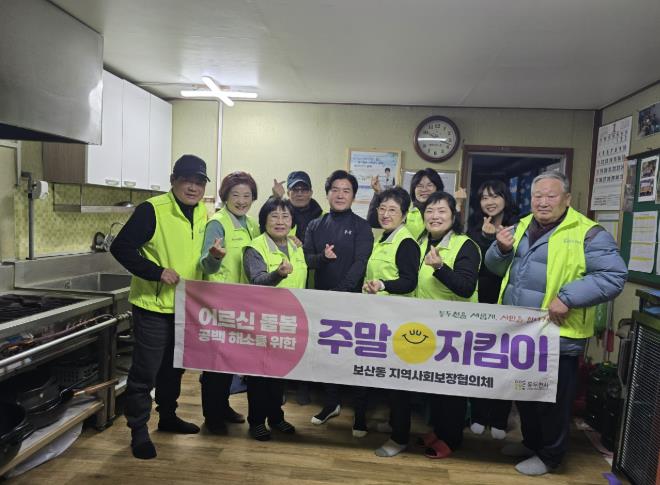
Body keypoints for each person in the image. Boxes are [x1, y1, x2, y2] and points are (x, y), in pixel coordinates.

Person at [485, 171, 627, 476]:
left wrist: (568, 297)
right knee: (525, 393)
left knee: (552, 401)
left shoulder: (589, 233)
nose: (543, 202)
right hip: (520, 331)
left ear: (567, 198)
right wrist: (501, 249)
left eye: (551, 196)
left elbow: (613, 276)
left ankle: (551, 456)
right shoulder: (521, 226)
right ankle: (532, 443)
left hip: (558, 332)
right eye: (537, 196)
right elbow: (495, 267)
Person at [110, 154, 209, 460]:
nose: (192, 187)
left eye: (199, 182)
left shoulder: (203, 213)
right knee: (145, 372)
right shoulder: (152, 210)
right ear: (173, 180)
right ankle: (138, 430)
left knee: (174, 369)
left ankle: (167, 416)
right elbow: (120, 247)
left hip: (185, 307)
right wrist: (156, 272)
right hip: (153, 307)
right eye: (186, 180)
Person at [304, 170, 374, 436]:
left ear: (353, 195)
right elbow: (307, 260)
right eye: (335, 189)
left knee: (356, 358)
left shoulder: (362, 227)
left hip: (353, 303)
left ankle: (360, 414)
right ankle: (331, 404)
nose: (340, 195)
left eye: (346, 190)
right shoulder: (315, 225)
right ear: (327, 193)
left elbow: (360, 263)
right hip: (323, 301)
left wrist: (340, 292)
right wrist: (322, 258)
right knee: (327, 356)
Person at [415, 191, 481, 459]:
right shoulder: (422, 242)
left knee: (452, 387)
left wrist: (441, 268)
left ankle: (452, 439)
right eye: (430, 211)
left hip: (456, 331)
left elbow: (466, 288)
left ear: (454, 216)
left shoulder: (465, 245)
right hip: (429, 328)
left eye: (442, 211)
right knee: (436, 386)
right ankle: (440, 430)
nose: (435, 216)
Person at [198, 172, 259, 434]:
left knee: (229, 361)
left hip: (242, 303)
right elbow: (205, 265)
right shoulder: (217, 223)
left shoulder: (251, 225)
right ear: (225, 196)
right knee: (215, 362)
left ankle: (222, 406)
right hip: (218, 303)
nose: (241, 200)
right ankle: (212, 416)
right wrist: (214, 257)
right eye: (236, 195)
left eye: (247, 195)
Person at [362, 187, 421, 458]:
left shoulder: (406, 242)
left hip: (399, 321)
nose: (385, 214)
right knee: (389, 380)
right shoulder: (384, 238)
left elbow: (409, 281)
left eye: (393, 210)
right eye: (382, 209)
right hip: (380, 319)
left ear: (405, 215)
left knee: (399, 383)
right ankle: (395, 424)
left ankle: (399, 438)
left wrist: (383, 284)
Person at [241, 197, 306, 441]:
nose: (280, 221)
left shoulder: (295, 245)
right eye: (274, 216)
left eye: (285, 216)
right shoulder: (254, 248)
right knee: (259, 375)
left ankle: (276, 417)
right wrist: (277, 274)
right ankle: (256, 421)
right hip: (262, 320)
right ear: (264, 221)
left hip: (289, 321)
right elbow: (257, 281)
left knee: (279, 373)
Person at [466, 180, 518, 440]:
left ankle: (499, 418)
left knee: (505, 362)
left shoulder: (518, 228)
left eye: (495, 196)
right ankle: (478, 415)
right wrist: (486, 238)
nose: (490, 201)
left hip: (508, 302)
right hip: (481, 303)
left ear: (505, 199)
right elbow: (480, 266)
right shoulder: (473, 230)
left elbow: (507, 266)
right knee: (480, 361)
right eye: (484, 197)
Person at [369, 168, 444, 240]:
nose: (424, 189)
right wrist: (378, 193)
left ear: (437, 188)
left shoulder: (445, 211)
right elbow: (373, 222)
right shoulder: (406, 208)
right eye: (419, 186)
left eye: (429, 185)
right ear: (413, 189)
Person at [272, 170, 323, 246]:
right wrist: (275, 199)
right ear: (288, 193)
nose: (299, 194)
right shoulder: (278, 216)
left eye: (304, 189)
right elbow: (264, 233)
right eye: (295, 190)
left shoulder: (322, 217)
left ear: (311, 193)